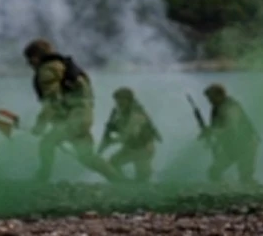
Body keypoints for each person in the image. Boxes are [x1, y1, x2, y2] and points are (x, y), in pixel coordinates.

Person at [24, 39, 124, 183]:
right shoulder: (64, 66)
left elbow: (52, 101)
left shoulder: (47, 70)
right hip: (83, 117)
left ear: (34, 58)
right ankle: (118, 180)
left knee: (46, 143)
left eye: (29, 61)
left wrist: (40, 125)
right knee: (86, 157)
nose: (29, 65)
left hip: (74, 118)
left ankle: (42, 177)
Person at [200, 83, 260, 186]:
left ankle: (255, 193)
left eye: (211, 97)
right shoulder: (216, 108)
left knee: (245, 177)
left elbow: (231, 128)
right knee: (214, 172)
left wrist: (212, 131)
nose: (209, 101)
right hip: (232, 145)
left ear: (220, 95)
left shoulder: (231, 106)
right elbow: (218, 128)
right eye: (208, 98)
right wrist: (211, 138)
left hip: (247, 144)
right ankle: (224, 188)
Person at [99, 87, 161, 183]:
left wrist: (110, 141)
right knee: (112, 164)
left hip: (143, 149)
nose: (118, 103)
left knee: (143, 178)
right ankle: (124, 184)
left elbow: (128, 134)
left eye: (121, 100)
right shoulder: (122, 112)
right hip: (131, 147)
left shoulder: (136, 114)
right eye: (117, 101)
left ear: (128, 100)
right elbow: (120, 126)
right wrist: (112, 128)